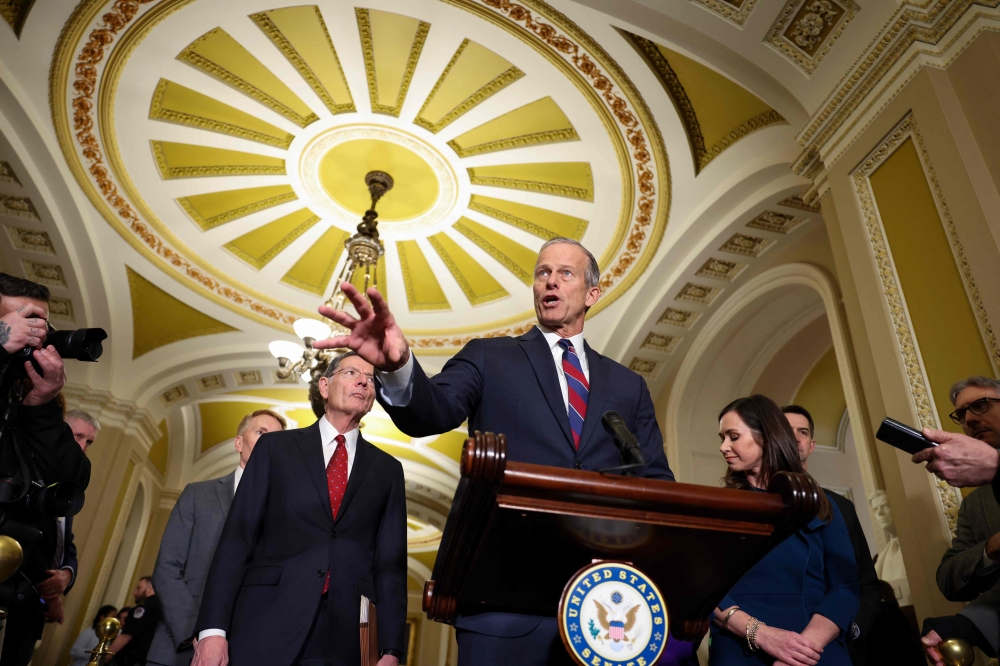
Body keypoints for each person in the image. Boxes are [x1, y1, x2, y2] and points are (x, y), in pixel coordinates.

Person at [314, 237, 674, 665]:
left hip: (604, 610)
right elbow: (430, 412)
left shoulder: (627, 386)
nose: (549, 281)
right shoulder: (490, 357)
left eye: (565, 273)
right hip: (502, 602)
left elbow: (657, 486)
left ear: (591, 293)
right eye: (542, 273)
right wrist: (396, 366)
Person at [191, 351, 407, 666]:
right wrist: (212, 630)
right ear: (323, 386)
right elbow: (236, 541)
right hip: (263, 621)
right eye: (350, 372)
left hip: (343, 638)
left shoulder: (387, 470)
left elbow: (391, 566)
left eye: (371, 379)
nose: (363, 380)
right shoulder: (274, 449)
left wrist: (391, 650)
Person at [710, 395, 859, 665]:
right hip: (739, 652)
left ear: (766, 436)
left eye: (733, 436)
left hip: (815, 653)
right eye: (722, 438)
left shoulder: (821, 504)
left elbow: (845, 589)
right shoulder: (720, 508)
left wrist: (801, 651)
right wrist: (762, 635)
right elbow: (707, 591)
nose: (723, 446)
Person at [147, 410, 287, 666]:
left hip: (247, 651)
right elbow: (167, 569)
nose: (269, 443)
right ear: (239, 442)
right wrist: (200, 633)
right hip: (179, 649)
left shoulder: (286, 512)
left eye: (276, 439)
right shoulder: (197, 495)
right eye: (261, 433)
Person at [0, 274, 91, 666]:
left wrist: (42, 403)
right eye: (24, 320)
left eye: (42, 325)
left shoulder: (30, 400)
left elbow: (73, 478)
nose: (35, 335)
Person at [783, 405, 882, 666]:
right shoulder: (753, 504)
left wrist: (852, 630)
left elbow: (867, 584)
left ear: (812, 444)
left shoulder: (840, 506)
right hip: (776, 642)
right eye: (786, 430)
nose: (795, 438)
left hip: (838, 648)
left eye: (802, 432)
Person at [919, 376, 1000, 663]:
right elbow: (948, 578)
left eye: (980, 405)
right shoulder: (975, 504)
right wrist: (991, 548)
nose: (969, 420)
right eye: (962, 414)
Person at [109, 577, 162, 666]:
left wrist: (107, 655)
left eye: (139, 588)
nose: (134, 592)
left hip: (133, 661)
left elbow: (126, 635)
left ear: (150, 588)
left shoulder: (143, 609)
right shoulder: (163, 608)